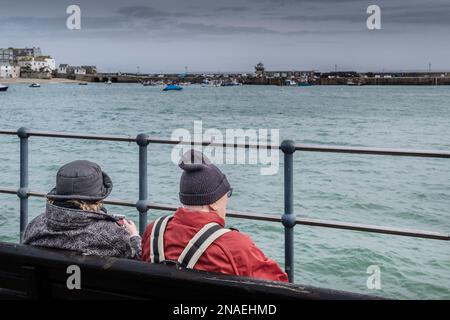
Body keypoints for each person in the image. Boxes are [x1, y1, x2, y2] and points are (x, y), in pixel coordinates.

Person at [141, 150, 288, 282]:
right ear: (214, 202)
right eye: (227, 193)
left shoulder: (153, 231)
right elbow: (279, 286)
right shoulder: (235, 246)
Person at [23, 160, 141, 259]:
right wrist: (134, 237)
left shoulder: (34, 226)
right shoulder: (112, 236)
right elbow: (138, 262)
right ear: (97, 199)